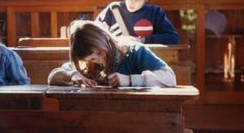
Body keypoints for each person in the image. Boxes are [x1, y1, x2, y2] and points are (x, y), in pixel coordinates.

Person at [47, 20, 176, 88]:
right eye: (92, 58)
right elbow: (52, 76)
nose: (99, 59)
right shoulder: (89, 65)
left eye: (99, 52)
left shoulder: (135, 52)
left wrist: (131, 80)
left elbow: (170, 77)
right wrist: (73, 75)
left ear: (106, 38)